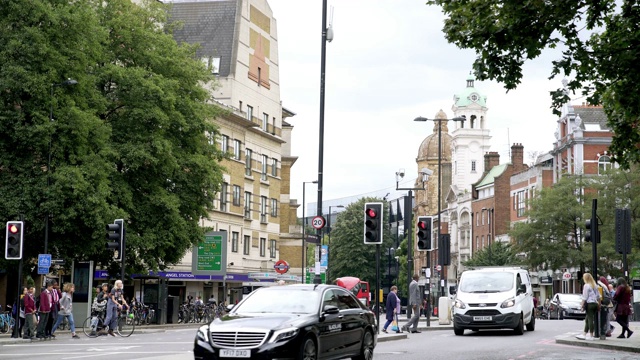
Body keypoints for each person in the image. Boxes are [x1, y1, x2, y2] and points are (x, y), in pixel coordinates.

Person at [576, 273, 600, 340]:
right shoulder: (595, 285)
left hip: (590, 304)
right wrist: (599, 306)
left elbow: (585, 297)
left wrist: (582, 305)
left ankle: (591, 335)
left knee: (590, 319)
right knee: (587, 319)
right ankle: (584, 334)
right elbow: (598, 296)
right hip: (595, 303)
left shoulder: (586, 286)